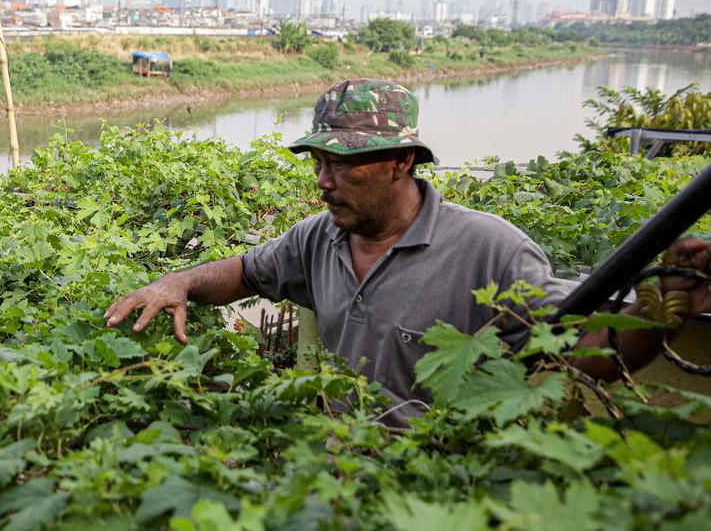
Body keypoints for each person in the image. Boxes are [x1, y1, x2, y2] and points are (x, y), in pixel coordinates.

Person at [104, 78, 710, 426]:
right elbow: (245, 272)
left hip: (440, 480)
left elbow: (584, 356)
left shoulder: (490, 250)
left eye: (342, 165)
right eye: (319, 163)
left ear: (400, 161)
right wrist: (178, 282)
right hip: (343, 475)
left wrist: (661, 308)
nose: (322, 182)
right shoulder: (319, 238)